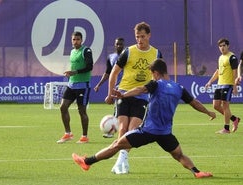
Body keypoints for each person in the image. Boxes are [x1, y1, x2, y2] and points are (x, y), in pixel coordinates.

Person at [72, 59, 216, 178]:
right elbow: (194, 103)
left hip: (147, 131)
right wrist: (208, 112)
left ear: (156, 73)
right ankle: (197, 172)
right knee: (179, 155)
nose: (152, 76)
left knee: (116, 145)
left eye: (152, 73)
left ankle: (87, 162)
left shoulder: (156, 84)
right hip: (165, 133)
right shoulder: (179, 88)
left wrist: (124, 94)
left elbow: (140, 89)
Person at [105, 22, 162, 174]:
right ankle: (121, 162)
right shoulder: (128, 52)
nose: (140, 40)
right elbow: (114, 73)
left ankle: (120, 160)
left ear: (149, 35)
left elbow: (159, 78)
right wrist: (110, 93)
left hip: (142, 95)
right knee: (123, 127)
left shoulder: (156, 54)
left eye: (143, 36)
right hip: (123, 92)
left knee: (133, 130)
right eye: (137, 37)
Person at [57, 31, 93, 144]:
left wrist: (75, 72)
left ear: (81, 40)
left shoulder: (86, 50)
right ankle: (68, 134)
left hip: (83, 85)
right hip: (72, 84)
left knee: (81, 110)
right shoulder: (72, 51)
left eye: (77, 39)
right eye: (73, 39)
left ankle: (84, 136)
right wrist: (71, 74)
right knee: (63, 107)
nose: (75, 41)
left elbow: (89, 66)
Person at [205, 38, 240, 134]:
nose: (222, 48)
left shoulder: (232, 57)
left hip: (228, 84)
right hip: (219, 84)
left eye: (224, 45)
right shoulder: (220, 58)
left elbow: (235, 73)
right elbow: (218, 71)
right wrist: (210, 82)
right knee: (216, 106)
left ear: (228, 46)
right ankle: (234, 119)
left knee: (225, 106)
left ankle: (226, 128)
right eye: (220, 46)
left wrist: (234, 85)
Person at [94, 37, 125, 138]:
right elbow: (108, 73)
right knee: (118, 109)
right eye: (118, 44)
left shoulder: (127, 55)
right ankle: (112, 131)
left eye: (121, 44)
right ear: (115, 45)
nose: (119, 46)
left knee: (122, 109)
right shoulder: (111, 57)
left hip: (128, 86)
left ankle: (113, 131)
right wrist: (99, 84)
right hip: (118, 88)